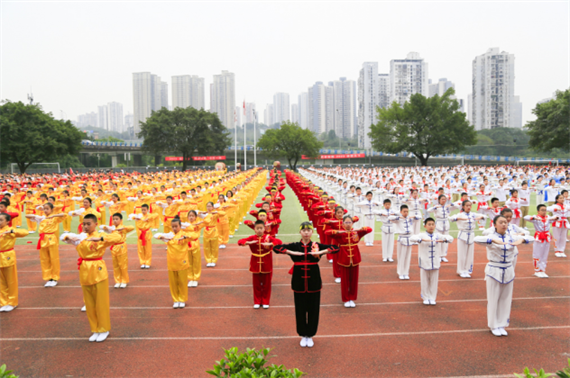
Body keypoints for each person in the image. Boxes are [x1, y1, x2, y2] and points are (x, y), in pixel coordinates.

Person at [273, 222, 339, 348]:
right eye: (304, 230)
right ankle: (303, 334)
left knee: (314, 308)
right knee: (300, 308)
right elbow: (276, 248)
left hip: (314, 279)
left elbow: (335, 248)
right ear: (300, 232)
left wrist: (321, 252)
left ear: (312, 232)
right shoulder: (295, 245)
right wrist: (291, 253)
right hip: (298, 280)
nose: (306, 232)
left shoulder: (316, 245)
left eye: (309, 230)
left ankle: (311, 334)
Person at [61, 214, 121, 342]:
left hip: (97, 269)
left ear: (95, 224)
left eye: (89, 224)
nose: (86, 226)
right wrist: (68, 237)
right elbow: (65, 238)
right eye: (84, 224)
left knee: (101, 302)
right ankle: (95, 329)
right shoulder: (80, 237)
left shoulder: (99, 236)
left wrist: (99, 238)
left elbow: (118, 236)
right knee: (89, 303)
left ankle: (104, 328)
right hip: (84, 269)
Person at [474, 215, 533, 337]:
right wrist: (493, 240)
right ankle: (493, 325)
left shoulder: (511, 236)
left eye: (505, 222)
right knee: (493, 298)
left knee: (506, 298)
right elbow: (477, 239)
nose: (504, 224)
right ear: (494, 224)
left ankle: (502, 324)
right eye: (501, 222)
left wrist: (522, 240)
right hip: (494, 269)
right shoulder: (491, 236)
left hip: (508, 269)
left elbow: (531, 237)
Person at [326, 215, 372, 307]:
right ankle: (346, 299)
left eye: (349, 222)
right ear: (343, 223)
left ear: (352, 223)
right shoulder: (340, 234)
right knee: (345, 281)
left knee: (354, 280)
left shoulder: (356, 232)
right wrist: (339, 231)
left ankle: (352, 298)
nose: (348, 224)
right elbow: (327, 232)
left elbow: (369, 229)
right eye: (346, 222)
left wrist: (359, 229)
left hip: (355, 258)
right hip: (344, 258)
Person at [238, 220, 282, 309]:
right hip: (255, 262)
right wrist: (248, 243)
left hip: (266, 261)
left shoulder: (268, 237)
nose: (259, 230)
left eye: (261, 228)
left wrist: (270, 243)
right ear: (254, 229)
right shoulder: (252, 237)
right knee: (256, 284)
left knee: (266, 284)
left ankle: (266, 301)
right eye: (257, 228)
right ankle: (257, 301)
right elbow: (240, 241)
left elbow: (279, 241)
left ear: (264, 228)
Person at [410, 218, 453, 305]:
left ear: (435, 226)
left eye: (432, 224)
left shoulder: (437, 235)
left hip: (435, 262)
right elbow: (412, 238)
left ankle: (432, 297)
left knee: (434, 281)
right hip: (425, 262)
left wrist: (444, 239)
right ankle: (425, 297)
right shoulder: (422, 235)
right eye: (429, 224)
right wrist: (421, 240)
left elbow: (450, 238)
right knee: (425, 280)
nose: (431, 226)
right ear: (425, 226)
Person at [26, 203, 66, 287]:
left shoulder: (55, 218)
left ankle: (54, 278)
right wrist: (37, 216)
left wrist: (52, 216)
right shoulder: (42, 218)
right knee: (45, 259)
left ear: (51, 209)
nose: (45, 210)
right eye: (44, 209)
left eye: (47, 209)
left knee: (53, 259)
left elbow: (64, 214)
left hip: (51, 238)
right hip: (43, 239)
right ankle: (48, 278)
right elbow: (27, 216)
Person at [154, 217, 191, 309]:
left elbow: (194, 235)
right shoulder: (169, 236)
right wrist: (163, 237)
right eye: (173, 226)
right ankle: (175, 300)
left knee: (182, 282)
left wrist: (186, 237)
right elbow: (156, 235)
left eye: (176, 226)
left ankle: (182, 299)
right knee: (173, 283)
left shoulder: (184, 235)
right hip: (171, 263)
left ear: (180, 226)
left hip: (182, 262)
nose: (174, 228)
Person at [0, 213, 29, 312]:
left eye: (1, 220)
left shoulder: (10, 230)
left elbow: (25, 232)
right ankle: (3, 302)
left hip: (7, 257)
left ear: (7, 221)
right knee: (1, 282)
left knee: (11, 281)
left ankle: (12, 302)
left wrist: (12, 231)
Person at [450, 200, 486, 278]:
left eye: (470, 205)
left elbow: (484, 216)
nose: (469, 207)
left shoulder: (473, 214)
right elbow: (452, 218)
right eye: (467, 205)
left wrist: (480, 217)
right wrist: (460, 218)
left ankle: (467, 270)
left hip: (471, 235)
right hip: (463, 235)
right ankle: (461, 271)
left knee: (470, 254)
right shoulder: (461, 214)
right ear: (463, 206)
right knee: (462, 254)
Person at [100, 213, 134, 288]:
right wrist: (106, 227)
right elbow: (102, 227)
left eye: (116, 219)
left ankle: (124, 280)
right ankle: (118, 281)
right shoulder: (112, 228)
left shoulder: (122, 228)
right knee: (116, 265)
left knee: (123, 265)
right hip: (114, 247)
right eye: (114, 219)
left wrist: (123, 228)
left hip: (121, 247)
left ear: (121, 220)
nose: (115, 221)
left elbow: (132, 227)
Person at [389, 205, 422, 280]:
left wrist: (412, 216)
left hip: (409, 238)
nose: (406, 213)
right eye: (404, 212)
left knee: (408, 257)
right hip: (402, 238)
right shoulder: (398, 219)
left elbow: (419, 217)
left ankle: (406, 273)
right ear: (401, 212)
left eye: (407, 211)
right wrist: (398, 216)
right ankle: (401, 272)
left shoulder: (409, 218)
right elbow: (389, 218)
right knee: (401, 256)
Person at [524, 205, 557, 278]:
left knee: (545, 254)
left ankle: (542, 270)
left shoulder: (548, 217)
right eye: (542, 210)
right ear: (538, 211)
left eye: (545, 210)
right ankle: (537, 270)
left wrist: (556, 218)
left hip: (547, 237)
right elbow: (525, 217)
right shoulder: (536, 218)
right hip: (539, 237)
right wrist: (534, 218)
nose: (544, 212)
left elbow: (555, 218)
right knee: (537, 254)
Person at [129, 204, 158, 268]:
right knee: (140, 249)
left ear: (147, 210)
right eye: (142, 210)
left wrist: (148, 218)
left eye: (145, 210)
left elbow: (156, 215)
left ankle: (147, 262)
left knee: (148, 249)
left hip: (147, 233)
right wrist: (135, 217)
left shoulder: (150, 215)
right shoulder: (139, 216)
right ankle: (142, 262)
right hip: (140, 233)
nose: (143, 211)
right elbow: (131, 216)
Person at [198, 202, 225, 267]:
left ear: (213, 207)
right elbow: (196, 213)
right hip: (206, 231)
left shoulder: (215, 214)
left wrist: (216, 212)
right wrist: (202, 212)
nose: (209, 208)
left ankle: (213, 260)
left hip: (213, 231)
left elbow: (223, 213)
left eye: (210, 206)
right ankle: (208, 260)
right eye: (207, 206)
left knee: (214, 247)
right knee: (207, 247)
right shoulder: (205, 214)